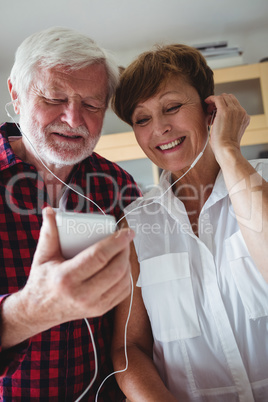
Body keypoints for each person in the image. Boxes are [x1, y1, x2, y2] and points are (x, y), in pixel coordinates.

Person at [111, 44, 268, 401]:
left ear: (210, 108)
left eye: (172, 107)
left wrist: (227, 148)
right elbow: (129, 349)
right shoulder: (134, 225)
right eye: (142, 119)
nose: (160, 128)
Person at [0, 27, 141, 401]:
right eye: (54, 97)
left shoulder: (117, 185)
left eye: (92, 105)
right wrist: (28, 312)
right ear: (16, 94)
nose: (74, 118)